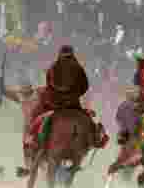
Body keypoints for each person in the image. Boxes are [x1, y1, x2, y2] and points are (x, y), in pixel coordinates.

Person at [17, 45, 90, 176]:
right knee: (86, 123)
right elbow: (84, 86)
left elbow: (52, 83)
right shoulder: (77, 69)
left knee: (37, 117)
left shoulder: (55, 68)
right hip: (69, 103)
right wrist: (72, 93)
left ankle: (33, 142)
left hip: (55, 102)